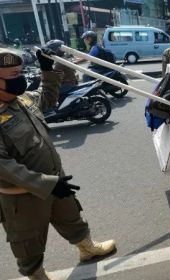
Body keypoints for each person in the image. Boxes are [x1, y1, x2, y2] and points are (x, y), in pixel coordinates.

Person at [0, 48, 116, 280]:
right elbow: (3, 165)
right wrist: (47, 184)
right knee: (28, 239)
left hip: (55, 181)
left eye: (20, 72)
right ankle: (37, 275)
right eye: (13, 75)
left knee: (71, 216)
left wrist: (46, 71)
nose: (20, 78)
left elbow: (48, 97)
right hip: (23, 194)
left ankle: (87, 248)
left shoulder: (22, 99)